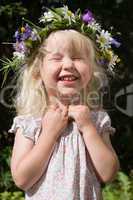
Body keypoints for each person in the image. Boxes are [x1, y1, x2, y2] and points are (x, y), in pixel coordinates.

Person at [7, 6, 120, 200]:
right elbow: (22, 179)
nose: (68, 65)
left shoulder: (96, 119)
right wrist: (49, 134)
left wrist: (88, 128)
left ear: (91, 70)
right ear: (37, 72)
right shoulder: (30, 122)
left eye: (77, 58)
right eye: (57, 58)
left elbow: (108, 174)